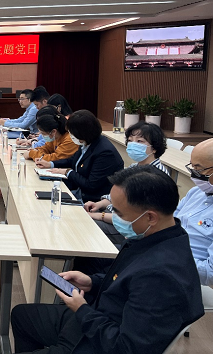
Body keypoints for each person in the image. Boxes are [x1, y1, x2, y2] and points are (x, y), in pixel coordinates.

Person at [11, 166, 204, 354]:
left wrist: (82, 310)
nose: (112, 216)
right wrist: (92, 282)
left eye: (119, 213)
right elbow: (128, 282)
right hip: (98, 318)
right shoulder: (162, 236)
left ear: (150, 217)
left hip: (98, 339)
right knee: (22, 315)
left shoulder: (160, 276)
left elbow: (125, 347)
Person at [84, 121, 169, 247]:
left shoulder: (157, 177)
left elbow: (134, 218)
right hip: (111, 215)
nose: (133, 144)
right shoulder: (134, 167)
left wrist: (99, 215)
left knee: (84, 226)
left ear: (154, 147)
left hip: (126, 229)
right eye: (130, 140)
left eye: (139, 141)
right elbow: (117, 196)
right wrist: (98, 204)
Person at [0, 107, 75, 198]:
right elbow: (45, 148)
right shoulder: (56, 136)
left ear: (53, 131)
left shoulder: (68, 139)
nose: (42, 135)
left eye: (43, 133)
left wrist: (32, 153)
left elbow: (56, 158)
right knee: (18, 161)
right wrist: (36, 152)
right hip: (48, 165)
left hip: (62, 172)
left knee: (20, 164)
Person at [36, 110, 124, 202]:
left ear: (82, 133)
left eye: (71, 133)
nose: (70, 136)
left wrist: (68, 172)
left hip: (92, 200)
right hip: (78, 191)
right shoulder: (86, 142)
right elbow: (72, 160)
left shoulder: (105, 152)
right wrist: (51, 164)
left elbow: (91, 185)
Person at [175, 138, 213, 286]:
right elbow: (170, 222)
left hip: (185, 277)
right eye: (192, 166)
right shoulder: (196, 192)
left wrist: (169, 257)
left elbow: (210, 274)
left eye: (198, 168)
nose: (193, 173)